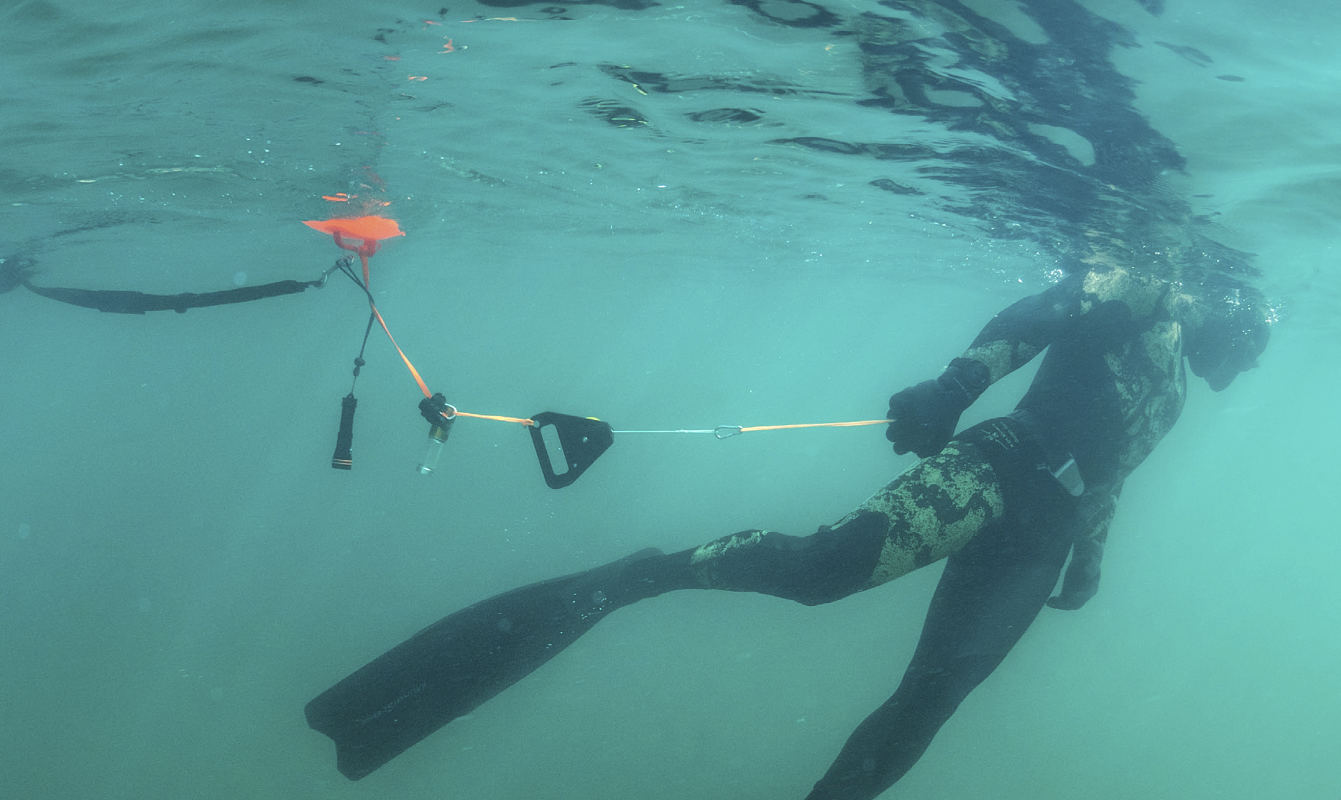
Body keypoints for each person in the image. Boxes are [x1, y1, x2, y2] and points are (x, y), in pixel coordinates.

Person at [305, 262, 1270, 798]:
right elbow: (1044, 308)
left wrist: (1090, 556)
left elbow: (1114, 472)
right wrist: (954, 386)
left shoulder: (1179, 386)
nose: (1243, 362)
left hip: (1046, 526)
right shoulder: (1149, 293)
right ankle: (651, 572)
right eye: (1247, 343)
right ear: (1228, 310)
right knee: (819, 573)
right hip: (996, 467)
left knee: (932, 700)